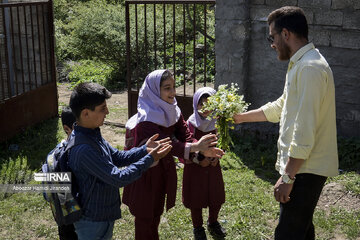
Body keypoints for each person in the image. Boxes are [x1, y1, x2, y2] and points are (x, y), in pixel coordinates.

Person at [233, 6, 338, 240]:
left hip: (305, 170)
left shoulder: (310, 68)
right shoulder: (300, 64)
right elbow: (282, 107)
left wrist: (288, 177)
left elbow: (304, 129)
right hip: (301, 168)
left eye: (272, 37)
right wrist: (240, 117)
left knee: (288, 234)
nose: (272, 43)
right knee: (301, 230)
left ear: (286, 34)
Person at [122, 69, 224, 240]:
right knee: (145, 216)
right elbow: (167, 144)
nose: (173, 92)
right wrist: (196, 147)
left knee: (155, 213)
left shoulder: (172, 110)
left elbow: (185, 134)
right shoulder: (146, 119)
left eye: (173, 86)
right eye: (167, 88)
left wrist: (200, 150)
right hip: (146, 174)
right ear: (155, 90)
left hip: (162, 170)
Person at [68, 82, 172, 240]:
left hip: (102, 215)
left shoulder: (92, 133)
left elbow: (117, 157)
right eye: (102, 108)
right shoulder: (83, 150)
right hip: (92, 222)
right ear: (85, 114)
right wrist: (150, 159)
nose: (107, 112)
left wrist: (144, 149)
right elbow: (118, 178)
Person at [182, 87, 226, 240]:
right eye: (201, 104)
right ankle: (198, 227)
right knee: (196, 199)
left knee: (216, 196)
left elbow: (222, 142)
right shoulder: (190, 124)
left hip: (213, 168)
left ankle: (213, 222)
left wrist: (215, 158)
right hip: (195, 169)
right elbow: (186, 144)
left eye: (209, 104)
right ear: (195, 104)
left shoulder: (219, 122)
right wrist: (200, 160)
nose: (205, 108)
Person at [57, 106, 78, 240]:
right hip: (74, 213)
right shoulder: (68, 153)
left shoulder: (59, 148)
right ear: (67, 129)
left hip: (63, 214)